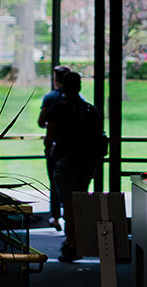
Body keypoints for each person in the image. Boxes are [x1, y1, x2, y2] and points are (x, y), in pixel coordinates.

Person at [43, 70, 104, 262]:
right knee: (81, 198)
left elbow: (49, 138)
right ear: (79, 86)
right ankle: (82, 239)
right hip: (87, 162)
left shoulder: (57, 109)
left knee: (68, 204)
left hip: (65, 161)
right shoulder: (90, 109)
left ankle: (72, 244)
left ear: (62, 85)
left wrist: (50, 149)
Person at [36, 65, 71, 227]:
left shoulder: (50, 98)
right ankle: (73, 219)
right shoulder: (82, 101)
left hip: (56, 149)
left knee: (55, 181)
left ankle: (56, 216)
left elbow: (41, 122)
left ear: (56, 80)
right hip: (76, 151)